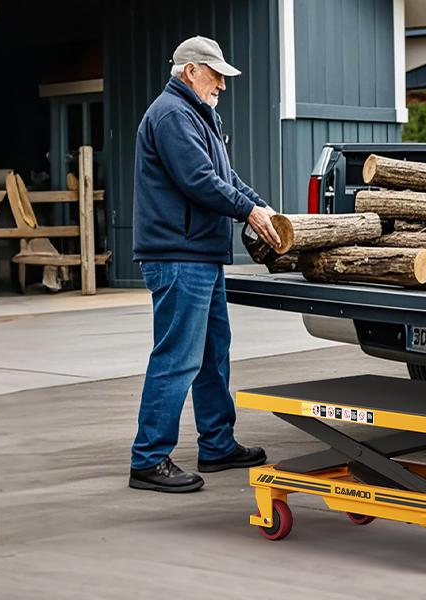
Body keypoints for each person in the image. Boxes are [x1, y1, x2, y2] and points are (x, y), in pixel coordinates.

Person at [128, 36, 284, 493]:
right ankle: (148, 459)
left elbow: (224, 176)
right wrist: (248, 212)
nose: (221, 83)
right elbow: (199, 182)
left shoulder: (199, 114)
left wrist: (261, 206)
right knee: (177, 358)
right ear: (191, 70)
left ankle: (217, 444)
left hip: (200, 253)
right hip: (178, 256)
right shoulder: (173, 114)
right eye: (215, 74)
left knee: (213, 354)